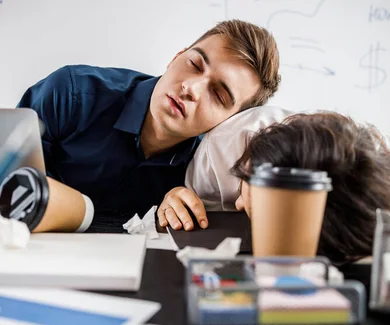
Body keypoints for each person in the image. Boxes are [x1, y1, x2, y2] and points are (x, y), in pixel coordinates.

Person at [17, 20, 280, 228]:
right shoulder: (71, 93)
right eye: (194, 64)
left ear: (229, 121)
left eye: (218, 95)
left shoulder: (206, 173)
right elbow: (2, 180)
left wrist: (172, 212)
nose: (191, 88)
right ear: (176, 56)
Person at [158, 108, 390, 256]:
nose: (238, 204)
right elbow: (177, 211)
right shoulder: (222, 151)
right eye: (245, 185)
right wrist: (173, 199)